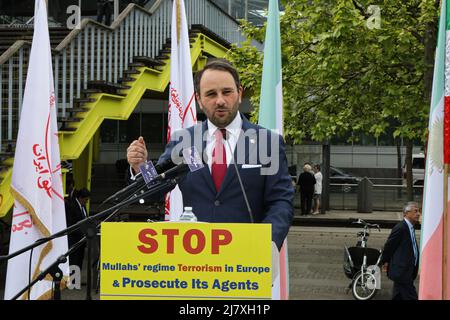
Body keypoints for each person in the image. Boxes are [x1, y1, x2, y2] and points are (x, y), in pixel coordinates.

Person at [126, 59, 294, 249]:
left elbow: (280, 201)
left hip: (249, 259)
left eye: (227, 92)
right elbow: (154, 191)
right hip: (197, 263)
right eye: (211, 94)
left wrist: (268, 242)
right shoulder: (185, 141)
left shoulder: (266, 142)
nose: (220, 101)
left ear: (239, 93)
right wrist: (141, 167)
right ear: (199, 99)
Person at [381, 202, 420, 300]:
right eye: (415, 211)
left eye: (418, 211)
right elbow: (389, 246)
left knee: (398, 296)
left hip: (407, 271)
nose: (418, 214)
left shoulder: (410, 227)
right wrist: (384, 261)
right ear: (406, 213)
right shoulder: (401, 228)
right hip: (402, 271)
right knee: (412, 297)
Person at [65, 188, 91, 272]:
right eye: (86, 200)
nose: (86, 202)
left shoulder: (83, 207)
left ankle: (76, 282)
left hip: (81, 242)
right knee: (74, 263)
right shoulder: (72, 206)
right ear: (80, 198)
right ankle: (73, 283)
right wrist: (83, 232)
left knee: (79, 262)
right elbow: (70, 225)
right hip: (74, 241)